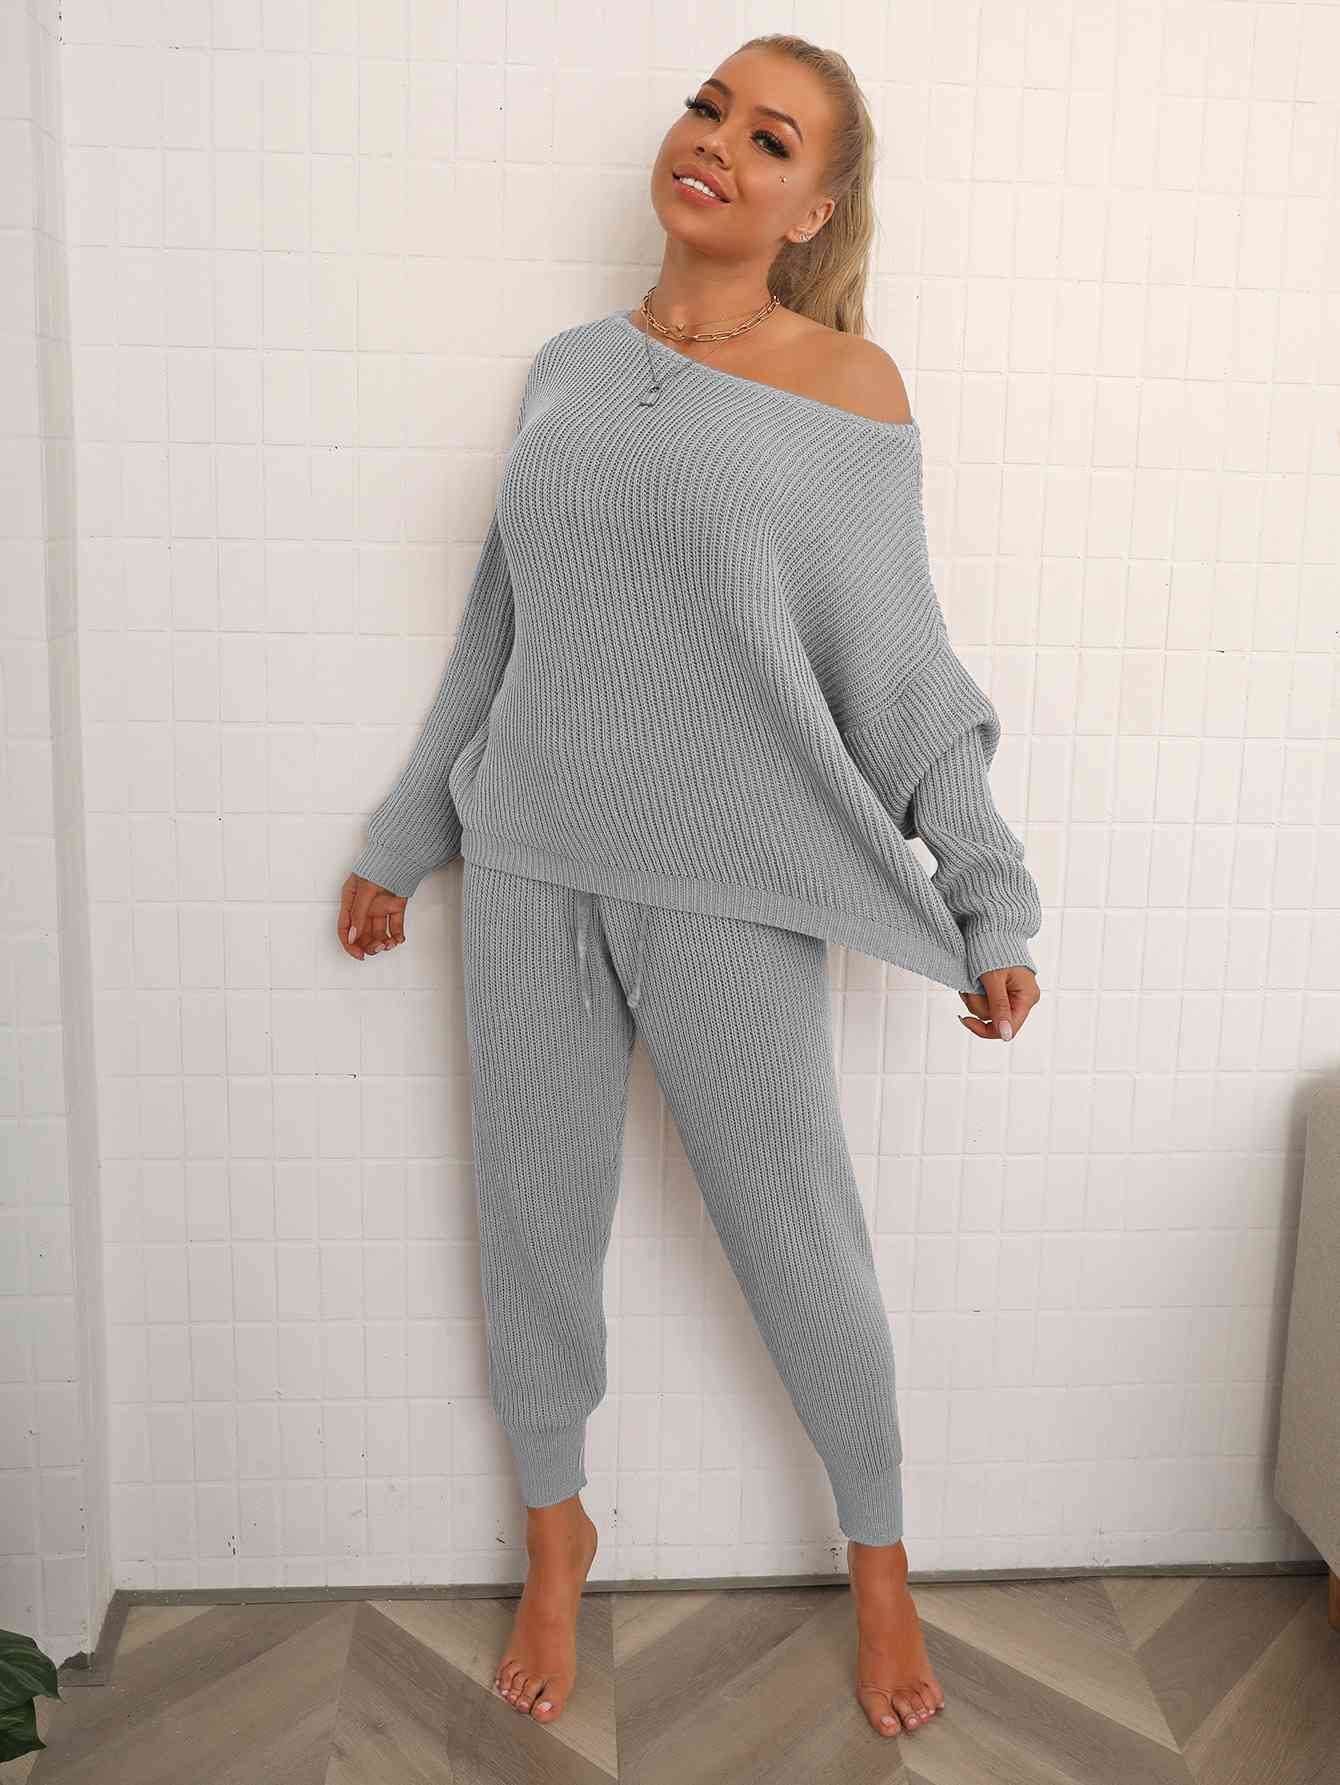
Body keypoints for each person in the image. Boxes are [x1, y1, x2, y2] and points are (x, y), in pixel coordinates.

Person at [338, 33, 1042, 1743]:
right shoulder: (570, 368)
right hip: (529, 857)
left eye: (770, 137)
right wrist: (405, 833)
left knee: (796, 1231)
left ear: (813, 209)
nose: (717, 141)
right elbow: (502, 625)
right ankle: (556, 1535)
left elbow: (900, 663)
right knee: (533, 1220)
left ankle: (880, 1559)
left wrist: (989, 892)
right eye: (710, 107)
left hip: (728, 883)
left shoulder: (849, 392)